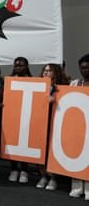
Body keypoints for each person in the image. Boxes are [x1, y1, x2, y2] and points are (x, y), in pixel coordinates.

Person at [35, 63, 70, 191]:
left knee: (52, 151)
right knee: (41, 151)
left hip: (56, 123)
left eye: (49, 71)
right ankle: (43, 175)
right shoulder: (39, 86)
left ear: (56, 73)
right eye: (44, 70)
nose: (45, 73)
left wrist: (54, 99)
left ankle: (53, 178)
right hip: (40, 122)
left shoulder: (62, 88)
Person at [8, 57, 33, 183]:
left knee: (25, 143)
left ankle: (24, 170)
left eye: (21, 65)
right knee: (12, 143)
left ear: (27, 67)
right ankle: (14, 169)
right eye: (16, 65)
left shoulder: (34, 82)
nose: (18, 67)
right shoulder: (9, 81)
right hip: (12, 117)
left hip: (27, 117)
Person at [68, 54, 89, 200]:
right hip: (77, 126)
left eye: (88, 68)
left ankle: (88, 189)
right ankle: (76, 187)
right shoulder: (74, 84)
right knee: (76, 155)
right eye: (82, 68)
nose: (85, 70)